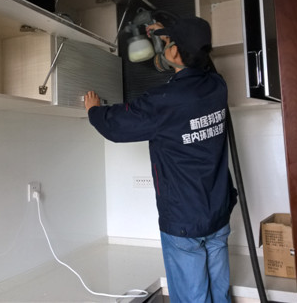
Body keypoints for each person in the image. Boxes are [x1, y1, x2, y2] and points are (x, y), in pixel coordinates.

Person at [84, 15, 238, 303]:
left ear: (176, 52)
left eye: (170, 43)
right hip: (218, 212)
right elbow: (198, 61)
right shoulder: (218, 86)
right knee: (219, 294)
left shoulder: (164, 100)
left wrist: (94, 111)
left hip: (184, 221)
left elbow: (116, 126)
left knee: (193, 299)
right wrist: (171, 37)